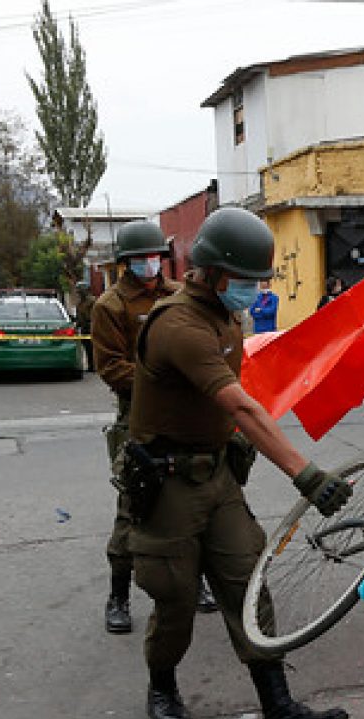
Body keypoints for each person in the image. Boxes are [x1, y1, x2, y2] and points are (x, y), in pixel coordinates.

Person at [125, 206, 353, 719]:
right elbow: (242, 408)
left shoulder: (225, 317)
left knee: (247, 583)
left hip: (217, 477)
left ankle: (278, 710)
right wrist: (306, 475)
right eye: (244, 279)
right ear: (211, 271)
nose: (252, 290)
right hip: (168, 483)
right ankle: (162, 686)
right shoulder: (179, 325)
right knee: (176, 598)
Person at [92, 221, 218, 635]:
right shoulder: (110, 306)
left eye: (155, 257)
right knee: (135, 505)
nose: (150, 264)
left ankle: (195, 583)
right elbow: (111, 369)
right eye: (141, 258)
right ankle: (118, 596)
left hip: (187, 415)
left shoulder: (179, 295)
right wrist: (164, 380)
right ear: (125, 262)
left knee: (194, 501)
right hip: (139, 418)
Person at [75, 283, 95, 372]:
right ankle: (91, 365)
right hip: (84, 328)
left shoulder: (92, 301)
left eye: (80, 291)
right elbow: (79, 317)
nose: (78, 293)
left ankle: (94, 365)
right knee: (87, 347)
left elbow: (95, 315)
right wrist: (76, 326)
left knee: (93, 347)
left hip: (92, 327)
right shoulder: (80, 303)